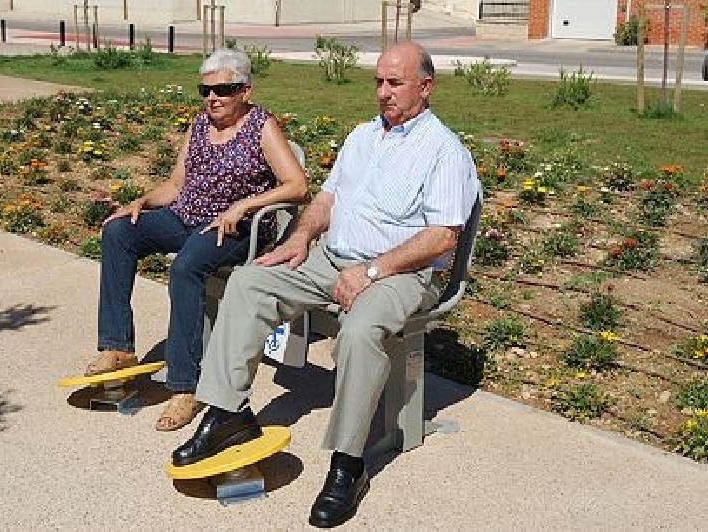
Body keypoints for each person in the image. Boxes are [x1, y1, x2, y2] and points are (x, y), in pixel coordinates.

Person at [171, 41, 480, 527]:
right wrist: (300, 238)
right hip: (331, 258)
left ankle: (347, 464)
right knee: (251, 282)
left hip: (401, 273)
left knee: (359, 331)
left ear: (425, 86)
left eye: (394, 83)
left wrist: (371, 271)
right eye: (378, 81)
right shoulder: (362, 136)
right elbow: (325, 200)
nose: (382, 93)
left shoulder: (443, 151)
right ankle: (228, 410)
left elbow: (441, 235)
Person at [83, 49, 308, 432]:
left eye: (223, 89)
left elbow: (298, 186)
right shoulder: (200, 125)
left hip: (233, 229)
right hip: (185, 216)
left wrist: (244, 206)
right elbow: (175, 185)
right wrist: (142, 201)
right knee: (118, 231)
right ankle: (117, 346)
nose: (212, 98)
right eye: (205, 90)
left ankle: (185, 385)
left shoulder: (262, 126)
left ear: (245, 90)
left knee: (186, 267)